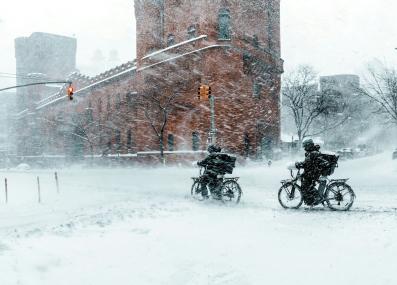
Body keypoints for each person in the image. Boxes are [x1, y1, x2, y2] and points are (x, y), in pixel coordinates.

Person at [295, 139, 327, 205]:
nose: (304, 148)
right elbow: (307, 163)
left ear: (308, 145)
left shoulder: (313, 153)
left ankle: (313, 199)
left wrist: (300, 164)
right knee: (306, 184)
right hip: (312, 171)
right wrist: (301, 164)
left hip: (314, 172)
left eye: (305, 146)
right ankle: (311, 198)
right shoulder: (311, 152)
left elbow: (308, 163)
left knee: (305, 184)